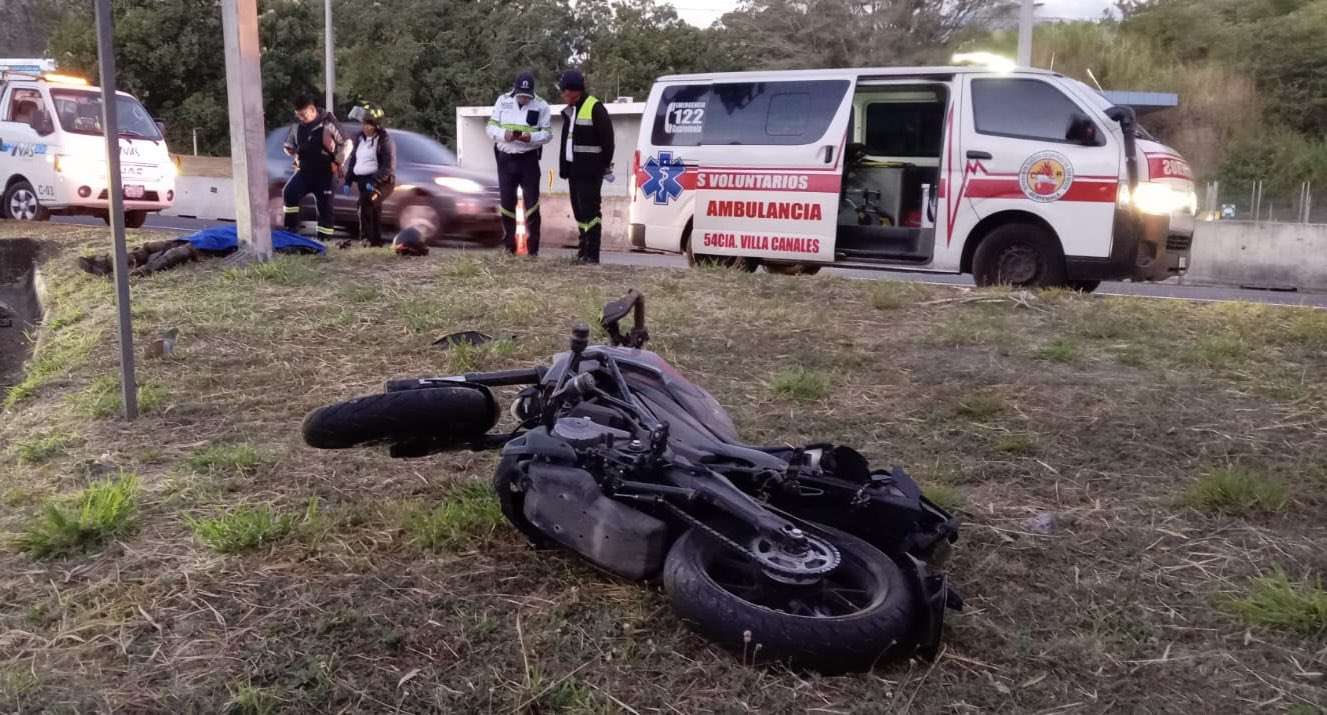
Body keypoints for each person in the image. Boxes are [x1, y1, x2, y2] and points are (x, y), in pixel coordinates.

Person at [487, 71, 552, 256]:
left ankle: (532, 250)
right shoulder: (502, 101)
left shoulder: (541, 106)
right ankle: (509, 247)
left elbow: (547, 134)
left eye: (527, 96)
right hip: (505, 158)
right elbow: (490, 128)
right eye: (521, 95)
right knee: (507, 204)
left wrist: (530, 137)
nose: (524, 98)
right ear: (515, 91)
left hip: (528, 158)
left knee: (532, 205)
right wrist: (504, 135)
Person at [556, 69, 614, 264]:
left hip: (590, 171)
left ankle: (593, 254)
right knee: (579, 212)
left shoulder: (594, 107)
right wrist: (564, 167)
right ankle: (583, 250)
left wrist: (602, 166)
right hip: (574, 170)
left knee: (591, 213)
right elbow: (568, 141)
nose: (563, 95)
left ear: (574, 91)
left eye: (565, 91)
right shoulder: (570, 111)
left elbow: (608, 141)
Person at [282, 95, 350, 242]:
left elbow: (347, 143)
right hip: (305, 171)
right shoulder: (297, 125)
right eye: (298, 115)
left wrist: (340, 159)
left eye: (303, 115)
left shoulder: (328, 122)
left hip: (326, 173)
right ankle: (290, 231)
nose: (301, 118)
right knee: (289, 193)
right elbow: (289, 143)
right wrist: (288, 149)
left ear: (312, 110)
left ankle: (324, 240)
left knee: (325, 208)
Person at [344, 103, 396, 247]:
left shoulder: (384, 141)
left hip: (382, 182)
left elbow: (388, 167)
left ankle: (366, 240)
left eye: (370, 125)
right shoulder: (359, 139)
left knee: (366, 202)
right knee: (373, 209)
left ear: (377, 125)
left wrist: (374, 181)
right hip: (363, 181)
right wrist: (348, 181)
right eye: (364, 124)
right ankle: (376, 242)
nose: (366, 128)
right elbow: (355, 161)